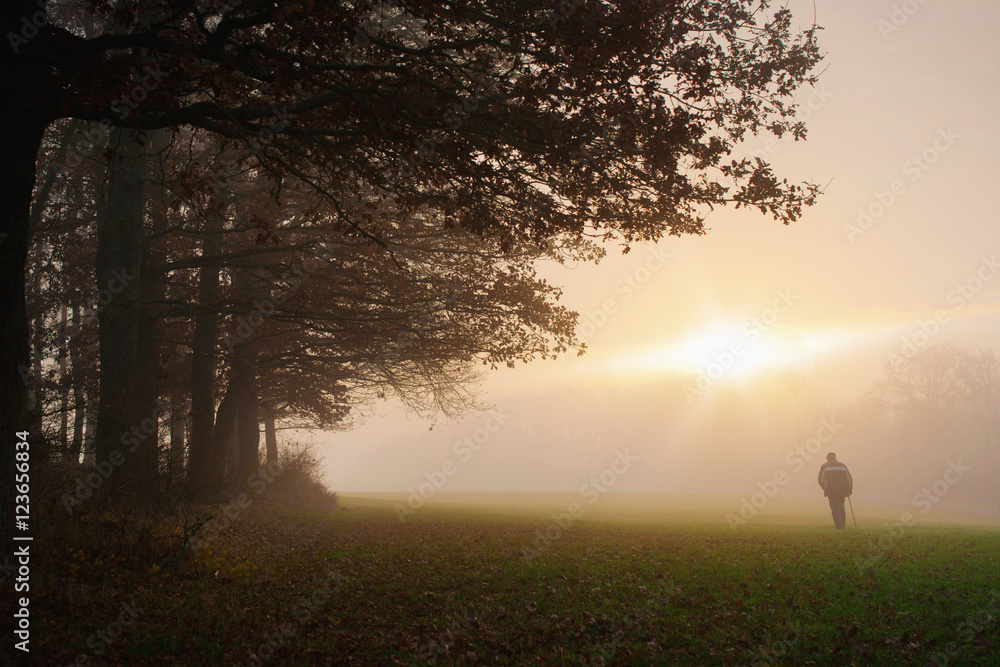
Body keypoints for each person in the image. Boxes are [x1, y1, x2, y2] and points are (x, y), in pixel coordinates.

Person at [818, 453, 853, 529]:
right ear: (835, 457)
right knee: (841, 507)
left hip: (831, 491)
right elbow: (849, 479)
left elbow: (821, 480)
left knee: (835, 508)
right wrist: (849, 490)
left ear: (827, 458)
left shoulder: (825, 466)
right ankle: (843, 526)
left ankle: (839, 527)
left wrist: (825, 488)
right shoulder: (842, 466)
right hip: (842, 491)